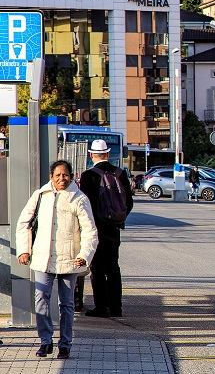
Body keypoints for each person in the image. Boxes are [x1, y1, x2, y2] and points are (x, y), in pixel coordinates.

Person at [15, 160, 98, 360]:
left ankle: (65, 344)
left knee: (67, 304)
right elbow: (24, 223)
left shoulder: (79, 198)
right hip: (43, 257)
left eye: (66, 175)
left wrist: (84, 255)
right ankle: (45, 341)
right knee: (41, 298)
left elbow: (90, 231)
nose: (62, 179)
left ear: (72, 176)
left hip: (70, 260)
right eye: (58, 175)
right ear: (51, 177)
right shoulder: (40, 195)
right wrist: (24, 250)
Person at [79, 139, 134, 318]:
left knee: (97, 268)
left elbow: (86, 204)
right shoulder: (120, 173)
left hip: (96, 228)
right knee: (113, 267)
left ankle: (101, 306)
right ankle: (116, 307)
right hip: (114, 228)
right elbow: (129, 202)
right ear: (108, 154)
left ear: (91, 155)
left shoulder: (88, 175)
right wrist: (117, 218)